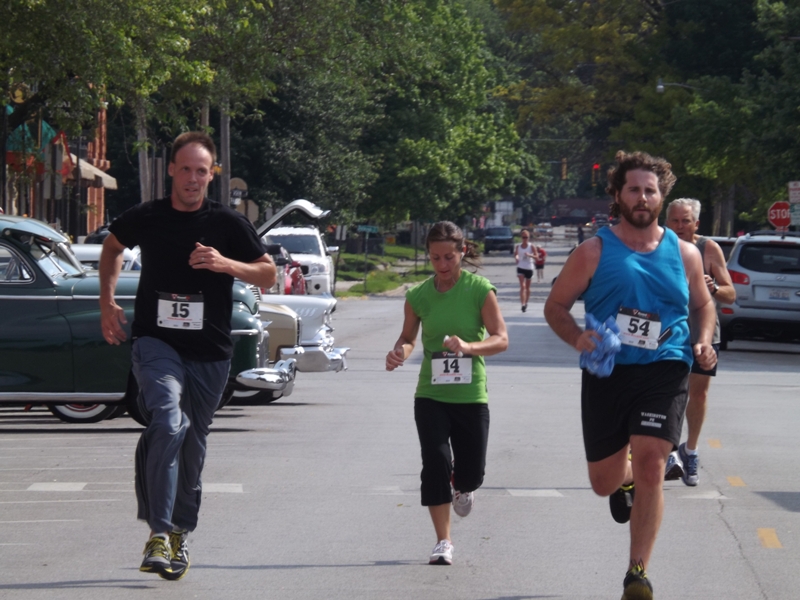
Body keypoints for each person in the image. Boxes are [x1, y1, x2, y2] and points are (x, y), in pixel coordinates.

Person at [99, 131, 276, 580]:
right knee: (168, 419)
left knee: (192, 445)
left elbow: (268, 274)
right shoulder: (149, 216)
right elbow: (112, 246)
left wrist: (224, 264)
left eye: (201, 171)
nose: (193, 178)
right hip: (156, 343)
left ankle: (178, 533)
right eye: (186, 170)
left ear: (211, 175)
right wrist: (107, 301)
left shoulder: (227, 223)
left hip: (210, 353)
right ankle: (158, 532)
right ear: (171, 171)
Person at [544, 151, 717, 600]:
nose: (643, 198)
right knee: (603, 481)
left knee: (652, 463)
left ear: (662, 196)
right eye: (634, 189)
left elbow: (703, 304)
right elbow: (555, 306)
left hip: (665, 368)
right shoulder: (594, 251)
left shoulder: (684, 253)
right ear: (618, 195)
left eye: (650, 190)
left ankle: (637, 572)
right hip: (608, 372)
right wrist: (578, 337)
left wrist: (703, 340)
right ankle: (621, 480)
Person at [385, 221, 508, 566]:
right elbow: (408, 338)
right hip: (431, 395)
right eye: (435, 257)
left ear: (462, 252)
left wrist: (469, 347)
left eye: (449, 257)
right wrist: (399, 352)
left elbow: (501, 338)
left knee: (472, 472)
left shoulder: (479, 290)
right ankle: (443, 541)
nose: (442, 264)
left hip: (470, 396)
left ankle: (463, 484)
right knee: (435, 462)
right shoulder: (418, 295)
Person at [664, 198, 735, 486]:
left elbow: (730, 294)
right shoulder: (657, 246)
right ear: (666, 222)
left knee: (698, 394)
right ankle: (670, 451)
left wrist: (714, 287)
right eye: (674, 221)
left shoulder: (709, 248)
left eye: (686, 221)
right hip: (667, 332)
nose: (680, 226)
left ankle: (690, 449)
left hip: (704, 333)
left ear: (696, 224)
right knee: (669, 392)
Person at [514, 229, 537, 312]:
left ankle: (526, 302)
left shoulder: (531, 246)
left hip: (529, 267)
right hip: (520, 267)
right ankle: (522, 304)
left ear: (529, 237)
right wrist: (517, 258)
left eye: (526, 237)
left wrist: (530, 255)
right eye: (523, 237)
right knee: (522, 286)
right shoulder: (518, 246)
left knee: (527, 287)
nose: (525, 239)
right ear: (521, 237)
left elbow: (536, 256)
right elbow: (516, 254)